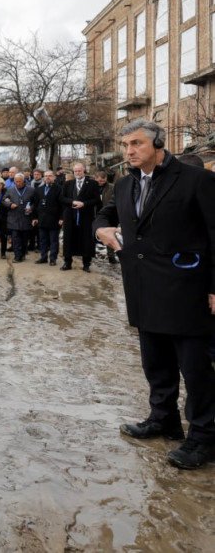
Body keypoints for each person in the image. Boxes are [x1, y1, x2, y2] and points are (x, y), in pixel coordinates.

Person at [94, 119, 215, 470]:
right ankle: (163, 419)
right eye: (125, 145)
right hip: (143, 289)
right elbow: (103, 217)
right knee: (156, 363)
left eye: (136, 144)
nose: (129, 151)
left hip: (186, 292)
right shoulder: (124, 185)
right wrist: (101, 230)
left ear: (158, 144)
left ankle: (204, 436)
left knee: (196, 370)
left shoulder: (197, 180)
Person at [60, 162, 101, 272]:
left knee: (86, 240)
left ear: (84, 171)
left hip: (86, 217)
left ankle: (86, 264)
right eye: (76, 171)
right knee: (68, 239)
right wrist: (72, 201)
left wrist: (84, 204)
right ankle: (67, 262)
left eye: (79, 170)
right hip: (70, 216)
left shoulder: (92, 184)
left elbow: (97, 200)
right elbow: (62, 198)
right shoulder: (68, 184)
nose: (77, 172)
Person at [31, 170, 62, 265]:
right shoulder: (39, 190)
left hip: (54, 219)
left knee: (53, 241)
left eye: (50, 176)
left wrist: (61, 218)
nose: (47, 177)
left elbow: (62, 205)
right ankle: (43, 257)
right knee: (42, 240)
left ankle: (53, 259)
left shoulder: (59, 189)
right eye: (46, 176)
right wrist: (34, 217)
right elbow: (35, 205)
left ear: (54, 177)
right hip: (41, 219)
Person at [3, 172, 34, 262]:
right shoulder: (10, 190)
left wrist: (31, 208)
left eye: (20, 181)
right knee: (15, 238)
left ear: (24, 181)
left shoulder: (31, 190)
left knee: (24, 238)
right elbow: (4, 200)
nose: (18, 183)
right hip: (14, 217)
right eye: (16, 181)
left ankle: (23, 254)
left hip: (26, 217)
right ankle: (17, 256)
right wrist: (10, 204)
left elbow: (36, 202)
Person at [95, 170, 117, 264]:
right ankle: (91, 253)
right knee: (93, 234)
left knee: (110, 235)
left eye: (103, 180)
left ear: (106, 179)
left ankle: (111, 256)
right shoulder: (92, 187)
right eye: (99, 180)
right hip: (95, 214)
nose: (101, 182)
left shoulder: (112, 187)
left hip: (109, 215)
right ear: (95, 178)